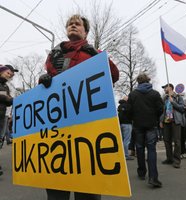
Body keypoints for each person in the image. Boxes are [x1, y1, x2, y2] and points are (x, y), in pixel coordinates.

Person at [39, 14, 119, 200]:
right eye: (70, 24)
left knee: (87, 185)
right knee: (57, 184)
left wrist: (96, 55)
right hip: (57, 125)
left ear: (85, 31)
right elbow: (49, 83)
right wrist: (43, 82)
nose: (73, 26)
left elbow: (113, 75)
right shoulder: (55, 54)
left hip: (85, 125)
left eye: (78, 24)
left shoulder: (93, 53)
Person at [127, 73, 163, 188]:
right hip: (151, 125)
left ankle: (142, 172)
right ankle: (153, 177)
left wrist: (134, 118)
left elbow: (129, 110)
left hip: (138, 125)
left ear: (138, 82)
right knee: (151, 149)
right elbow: (160, 109)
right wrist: (155, 118)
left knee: (140, 148)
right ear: (148, 81)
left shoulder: (133, 94)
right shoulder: (155, 94)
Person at [160, 83, 185, 169]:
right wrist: (161, 121)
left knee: (177, 142)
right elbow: (163, 111)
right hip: (166, 121)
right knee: (167, 141)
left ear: (170, 88)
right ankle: (169, 158)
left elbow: (182, 108)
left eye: (165, 87)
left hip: (175, 121)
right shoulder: (165, 98)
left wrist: (173, 102)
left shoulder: (178, 97)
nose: (164, 89)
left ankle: (176, 161)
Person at [0, 65, 14, 176]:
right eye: (8, 73)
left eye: (11, 75)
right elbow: (5, 98)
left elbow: (9, 100)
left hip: (1, 115)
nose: (10, 75)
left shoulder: (6, 86)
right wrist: (6, 98)